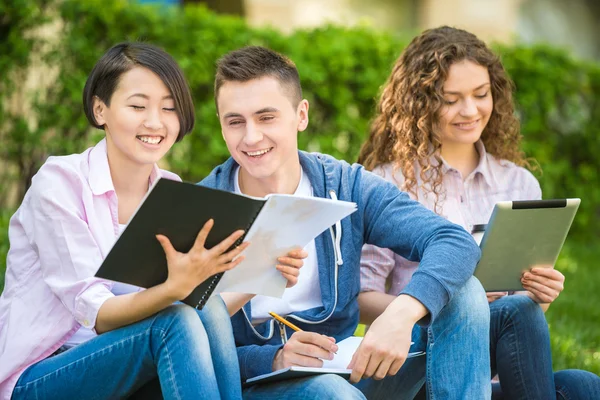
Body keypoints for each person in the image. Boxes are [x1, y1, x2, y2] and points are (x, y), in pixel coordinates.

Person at [0, 42, 304, 400]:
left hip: (128, 361)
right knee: (176, 320)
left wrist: (265, 269)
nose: (155, 122)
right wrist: (174, 289)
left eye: (169, 108)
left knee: (203, 310)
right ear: (101, 109)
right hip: (42, 373)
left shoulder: (169, 190)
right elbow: (97, 313)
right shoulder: (60, 183)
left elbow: (197, 300)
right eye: (137, 106)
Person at [199, 45, 492, 399]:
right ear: (220, 123)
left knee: (465, 293)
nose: (251, 137)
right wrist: (272, 359)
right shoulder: (204, 210)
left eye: (266, 117)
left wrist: (399, 314)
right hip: (259, 384)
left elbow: (453, 241)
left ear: (300, 115)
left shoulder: (344, 186)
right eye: (235, 121)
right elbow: (183, 343)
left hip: (348, 363)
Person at [357, 26, 600, 400]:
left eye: (481, 95)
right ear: (420, 103)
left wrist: (541, 294)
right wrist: (443, 303)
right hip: (420, 356)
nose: (469, 111)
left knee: (584, 386)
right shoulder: (387, 183)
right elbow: (361, 297)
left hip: (489, 365)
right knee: (513, 313)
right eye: (450, 99)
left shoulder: (518, 183)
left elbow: (521, 314)